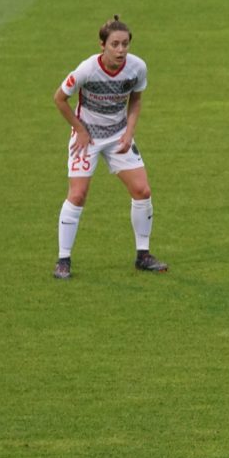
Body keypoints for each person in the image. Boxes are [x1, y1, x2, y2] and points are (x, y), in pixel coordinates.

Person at [51, 15, 167, 279]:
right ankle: (63, 260)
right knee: (78, 194)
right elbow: (59, 99)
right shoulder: (86, 70)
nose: (121, 50)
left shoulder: (137, 67)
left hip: (117, 136)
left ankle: (143, 255)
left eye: (125, 44)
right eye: (115, 44)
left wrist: (129, 131)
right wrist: (79, 129)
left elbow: (136, 100)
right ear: (102, 45)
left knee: (142, 190)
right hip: (87, 137)